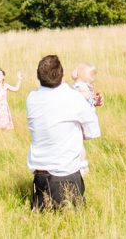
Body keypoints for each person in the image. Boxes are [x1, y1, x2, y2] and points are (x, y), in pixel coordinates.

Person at [25, 54, 101, 210]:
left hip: (39, 179)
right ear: (62, 74)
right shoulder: (74, 98)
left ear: (38, 76)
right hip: (67, 177)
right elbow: (93, 132)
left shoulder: (31, 98)